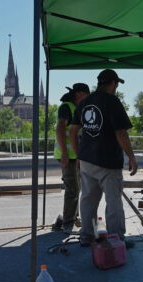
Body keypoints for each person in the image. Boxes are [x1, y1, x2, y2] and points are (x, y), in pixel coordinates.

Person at [70, 69, 138, 247]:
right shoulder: (112, 101)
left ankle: (86, 237)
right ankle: (117, 240)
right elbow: (121, 132)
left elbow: (72, 131)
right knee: (113, 201)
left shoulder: (85, 102)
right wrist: (131, 156)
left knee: (88, 200)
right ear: (113, 83)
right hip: (108, 161)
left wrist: (78, 155)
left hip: (87, 161)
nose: (116, 87)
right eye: (116, 84)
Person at [52, 83, 90, 233]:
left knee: (77, 188)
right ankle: (68, 223)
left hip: (76, 156)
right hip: (67, 155)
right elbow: (60, 129)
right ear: (80, 94)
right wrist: (64, 154)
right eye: (86, 95)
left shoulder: (76, 108)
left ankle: (73, 217)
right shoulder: (66, 107)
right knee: (73, 189)